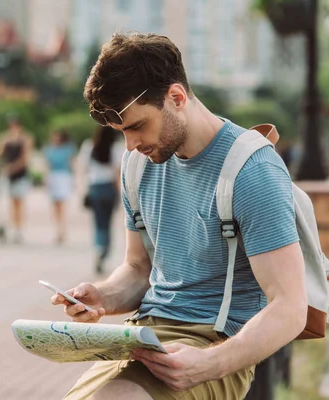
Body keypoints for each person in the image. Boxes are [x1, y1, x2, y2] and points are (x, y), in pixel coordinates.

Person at [51, 33, 306, 400]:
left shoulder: (252, 171)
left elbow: (290, 307)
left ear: (176, 98)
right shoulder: (137, 164)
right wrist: (103, 296)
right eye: (122, 133)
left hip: (213, 344)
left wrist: (210, 363)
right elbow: (139, 269)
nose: (131, 145)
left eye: (137, 126)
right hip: (141, 337)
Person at [78, 125, 122, 274]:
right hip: (109, 188)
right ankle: (104, 251)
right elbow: (117, 173)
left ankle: (98, 248)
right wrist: (120, 193)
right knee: (108, 223)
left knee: (98, 223)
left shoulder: (89, 146)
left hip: (95, 187)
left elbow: (83, 168)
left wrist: (84, 188)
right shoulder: (115, 147)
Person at [0, 114, 33, 243]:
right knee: (11, 202)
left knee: (18, 202)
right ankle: (13, 226)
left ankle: (18, 229)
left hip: (20, 174)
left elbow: (25, 158)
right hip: (8, 174)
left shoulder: (25, 138)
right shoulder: (5, 138)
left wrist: (12, 167)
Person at [43, 130, 76, 244]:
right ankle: (57, 230)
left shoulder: (68, 149)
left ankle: (62, 230)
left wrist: (74, 180)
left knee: (62, 205)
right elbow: (47, 165)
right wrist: (46, 179)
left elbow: (72, 164)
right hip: (53, 177)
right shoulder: (49, 149)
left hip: (63, 176)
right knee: (55, 206)